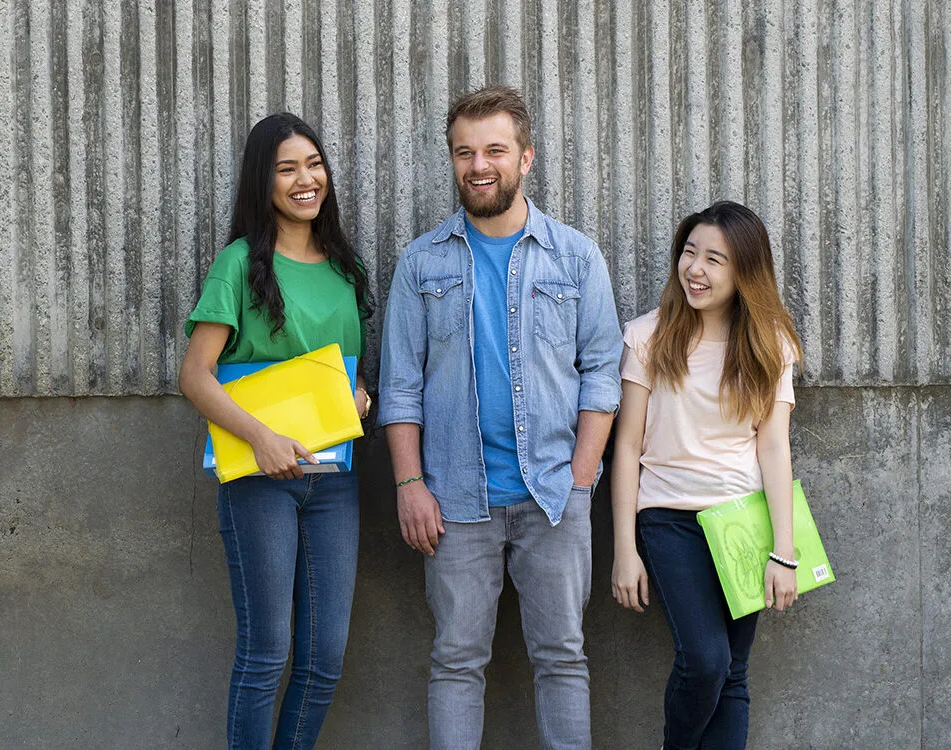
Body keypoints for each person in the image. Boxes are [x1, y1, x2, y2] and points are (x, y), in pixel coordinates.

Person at [377, 84, 622, 749]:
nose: (478, 165)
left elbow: (602, 374)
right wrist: (409, 485)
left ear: (526, 157)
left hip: (552, 496)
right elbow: (400, 386)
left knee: (562, 659)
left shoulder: (575, 257)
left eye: (493, 150)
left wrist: (580, 476)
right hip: (455, 502)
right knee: (456, 661)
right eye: (464, 152)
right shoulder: (422, 262)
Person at [178, 112, 371, 750]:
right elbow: (196, 376)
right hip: (259, 479)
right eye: (287, 169)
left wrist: (360, 396)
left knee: (324, 661)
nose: (305, 179)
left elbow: (349, 371)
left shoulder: (345, 266)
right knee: (267, 654)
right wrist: (261, 438)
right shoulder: (239, 263)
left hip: (333, 480)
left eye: (314, 165)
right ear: (263, 183)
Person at [609, 200, 803, 749]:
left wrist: (783, 551)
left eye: (715, 259)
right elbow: (625, 448)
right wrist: (626, 549)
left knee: (733, 673)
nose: (696, 269)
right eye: (690, 253)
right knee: (705, 660)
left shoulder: (769, 344)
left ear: (745, 271)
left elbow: (774, 448)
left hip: (744, 519)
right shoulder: (648, 337)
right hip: (669, 520)